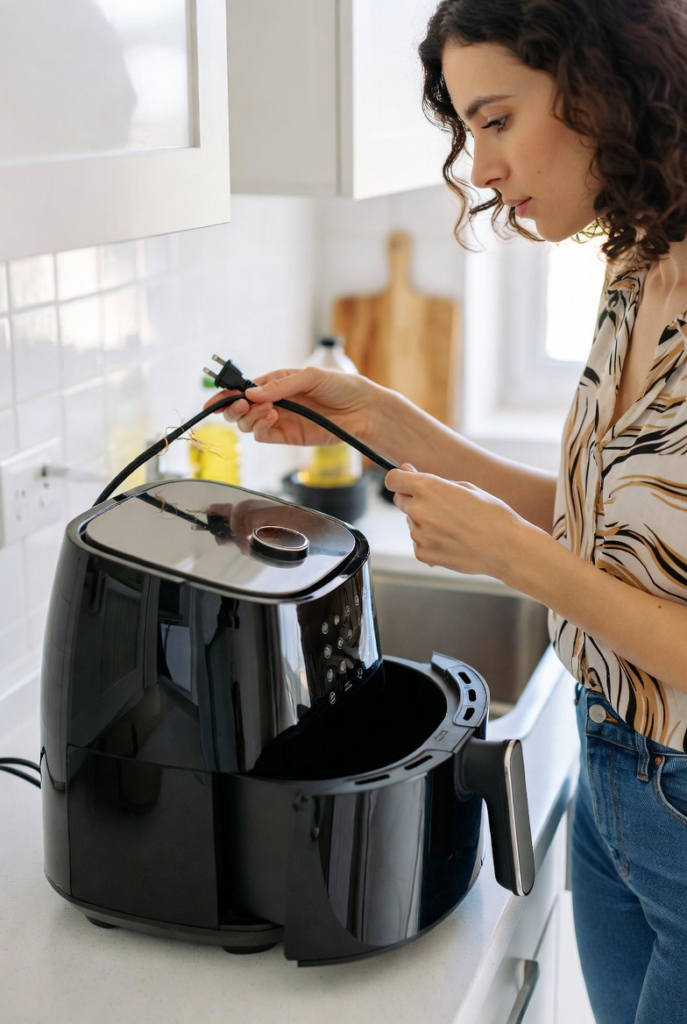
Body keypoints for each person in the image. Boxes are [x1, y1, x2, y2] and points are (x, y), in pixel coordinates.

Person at [209, 2, 687, 1019]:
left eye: (496, 120)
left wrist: (519, 560)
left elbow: (564, 559)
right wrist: (381, 420)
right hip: (610, 783)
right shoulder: (638, 262)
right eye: (469, 129)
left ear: (604, 86)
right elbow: (613, 530)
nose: (480, 168)